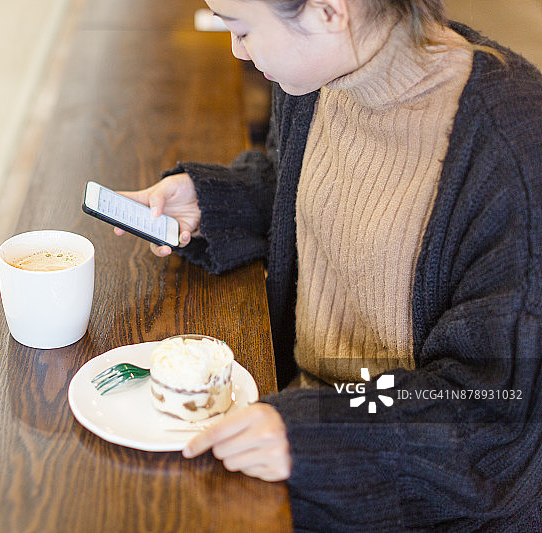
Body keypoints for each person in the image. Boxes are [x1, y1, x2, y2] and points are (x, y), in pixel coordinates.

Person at [113, 0, 542, 530]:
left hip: (415, 490)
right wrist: (213, 206)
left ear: (329, 11)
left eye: (243, 29)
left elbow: (489, 412)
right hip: (307, 425)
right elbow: (312, 192)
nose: (236, 50)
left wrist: (316, 434)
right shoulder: (319, 72)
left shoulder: (510, 152)